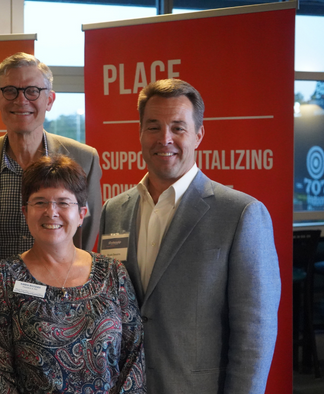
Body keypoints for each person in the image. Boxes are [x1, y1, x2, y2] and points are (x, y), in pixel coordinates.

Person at [98, 79, 281, 393]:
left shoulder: (241, 214)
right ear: (140, 133)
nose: (164, 139)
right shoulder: (113, 210)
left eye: (178, 128)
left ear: (199, 135)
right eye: (153, 127)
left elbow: (255, 334)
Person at [0, 155, 145, 394]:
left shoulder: (113, 274)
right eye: (40, 202)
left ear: (81, 213)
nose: (51, 212)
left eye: (63, 202)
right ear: (25, 211)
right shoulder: (3, 278)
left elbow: (133, 362)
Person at [0, 52, 102, 263]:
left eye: (32, 91)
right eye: (10, 91)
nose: (21, 100)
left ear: (49, 100)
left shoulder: (84, 159)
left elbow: (85, 234)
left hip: (60, 292)